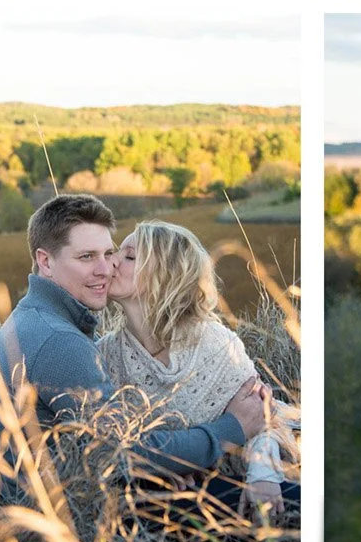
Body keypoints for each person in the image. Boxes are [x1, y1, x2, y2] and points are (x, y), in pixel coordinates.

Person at [0, 195, 265, 486]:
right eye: (86, 256)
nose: (106, 268)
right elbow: (127, 451)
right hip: (59, 514)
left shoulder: (39, 320)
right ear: (45, 261)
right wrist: (233, 428)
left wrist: (164, 468)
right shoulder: (58, 339)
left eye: (108, 253)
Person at [101, 220, 298, 517]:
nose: (112, 261)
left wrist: (263, 474)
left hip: (241, 476)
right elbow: (117, 447)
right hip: (176, 495)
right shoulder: (105, 356)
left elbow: (264, 419)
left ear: (165, 278)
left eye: (129, 257)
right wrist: (167, 467)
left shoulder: (216, 343)